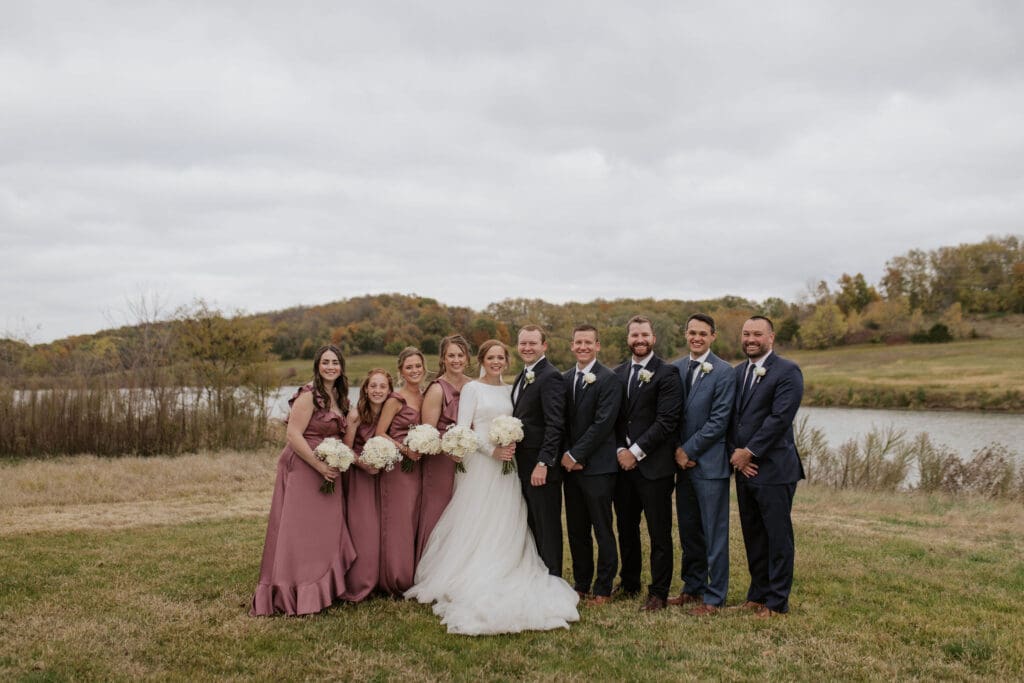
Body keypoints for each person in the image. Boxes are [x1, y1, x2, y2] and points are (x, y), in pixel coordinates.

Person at [406, 340, 580, 635]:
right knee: (479, 519)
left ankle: (507, 564)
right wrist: (492, 450)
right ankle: (471, 572)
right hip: (482, 465)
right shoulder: (473, 389)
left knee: (508, 516)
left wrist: (508, 448)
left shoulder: (511, 388)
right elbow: (464, 430)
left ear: (507, 361)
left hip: (508, 468)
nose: (496, 362)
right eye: (491, 357)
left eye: (501, 357)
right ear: (482, 360)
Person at [250, 344, 356, 616]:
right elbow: (293, 435)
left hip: (328, 468)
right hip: (304, 466)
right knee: (299, 532)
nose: (331, 366)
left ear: (341, 366)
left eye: (335, 362)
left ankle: (322, 590)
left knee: (324, 530)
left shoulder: (339, 396)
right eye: (325, 362)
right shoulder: (309, 395)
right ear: (317, 366)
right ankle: (293, 591)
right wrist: (319, 466)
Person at [728, 315, 804, 618]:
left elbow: (779, 418)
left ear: (771, 338)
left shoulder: (788, 371)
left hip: (774, 468)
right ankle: (757, 595)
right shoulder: (737, 373)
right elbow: (732, 418)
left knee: (777, 536)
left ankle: (776, 602)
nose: (750, 339)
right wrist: (737, 456)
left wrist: (750, 452)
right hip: (744, 469)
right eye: (746, 334)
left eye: (757, 334)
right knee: (753, 534)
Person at [612, 315, 682, 611]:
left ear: (653, 338)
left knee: (658, 532)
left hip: (655, 468)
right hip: (622, 468)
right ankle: (629, 583)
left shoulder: (667, 373)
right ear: (627, 339)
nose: (639, 340)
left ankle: (658, 592)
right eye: (634, 335)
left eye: (644, 335)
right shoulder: (617, 373)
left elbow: (666, 422)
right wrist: (619, 450)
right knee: (626, 528)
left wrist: (635, 451)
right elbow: (613, 419)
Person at [670, 313, 735, 615]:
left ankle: (715, 595)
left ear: (713, 336)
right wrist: (676, 452)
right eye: (692, 332)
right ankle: (692, 587)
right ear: (686, 334)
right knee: (689, 530)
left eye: (703, 333)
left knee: (714, 532)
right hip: (681, 467)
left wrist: (689, 449)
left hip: (709, 466)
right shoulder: (677, 368)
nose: (697, 338)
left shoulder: (724, 372)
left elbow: (719, 420)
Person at [561, 324, 623, 605]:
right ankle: (582, 582)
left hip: (598, 467)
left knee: (602, 527)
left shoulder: (609, 379)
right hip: (569, 469)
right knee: (576, 529)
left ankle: (603, 586)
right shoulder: (564, 379)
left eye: (588, 342)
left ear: (598, 346)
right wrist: (566, 455)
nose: (583, 346)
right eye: (578, 342)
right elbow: (559, 423)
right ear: (572, 346)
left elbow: (603, 424)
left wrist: (576, 455)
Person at [511, 324, 566, 576]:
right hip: (523, 464)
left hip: (540, 468)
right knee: (532, 522)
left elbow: (556, 424)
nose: (527, 347)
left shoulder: (550, 376)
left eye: (533, 343)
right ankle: (536, 573)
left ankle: (552, 577)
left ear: (544, 345)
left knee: (547, 525)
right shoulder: (524, 374)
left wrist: (544, 463)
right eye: (523, 343)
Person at [375, 346, 427, 595]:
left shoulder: (426, 395)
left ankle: (413, 573)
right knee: (400, 521)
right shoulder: (395, 399)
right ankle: (395, 579)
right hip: (398, 467)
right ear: (401, 371)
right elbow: (380, 433)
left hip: (420, 466)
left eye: (418, 366)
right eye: (409, 367)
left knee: (415, 518)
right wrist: (405, 450)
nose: (414, 370)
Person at [417, 335, 472, 563]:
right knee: (438, 512)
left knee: (464, 512)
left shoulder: (473, 386)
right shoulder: (437, 389)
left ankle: (458, 564)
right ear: (443, 359)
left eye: (460, 355)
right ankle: (431, 565)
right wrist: (450, 446)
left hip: (468, 459)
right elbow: (428, 432)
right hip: (441, 461)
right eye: (451, 355)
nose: (456, 360)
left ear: (467, 358)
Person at [340, 368, 393, 602]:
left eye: (383, 386)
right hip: (360, 477)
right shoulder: (356, 415)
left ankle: (382, 579)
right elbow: (346, 449)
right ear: (365, 389)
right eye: (373, 386)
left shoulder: (391, 413)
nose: (378, 390)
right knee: (364, 530)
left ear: (390, 390)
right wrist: (365, 465)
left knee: (384, 528)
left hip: (385, 477)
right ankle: (359, 583)